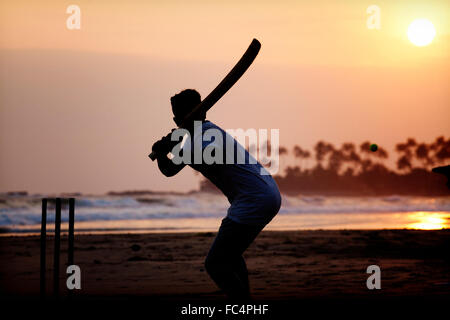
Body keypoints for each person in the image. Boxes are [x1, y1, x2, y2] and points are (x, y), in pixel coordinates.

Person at [152, 89, 281, 300]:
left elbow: (169, 170)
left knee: (215, 264)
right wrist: (172, 144)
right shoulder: (210, 131)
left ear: (179, 118)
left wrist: (161, 152)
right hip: (267, 193)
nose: (175, 119)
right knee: (230, 256)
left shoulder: (199, 140)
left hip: (254, 200)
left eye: (177, 115)